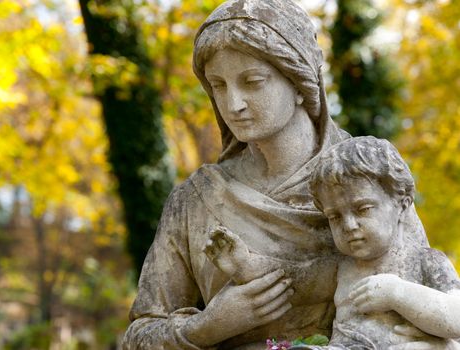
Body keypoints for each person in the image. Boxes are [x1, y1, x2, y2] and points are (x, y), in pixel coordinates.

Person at [122, 1, 429, 349]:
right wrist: (206, 327)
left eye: (252, 81)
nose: (234, 104)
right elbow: (140, 335)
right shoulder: (195, 199)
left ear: (300, 82)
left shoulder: (364, 176)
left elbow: (421, 306)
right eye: (218, 86)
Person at [206, 137, 460, 349]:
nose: (349, 225)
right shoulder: (342, 268)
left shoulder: (426, 261)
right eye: (335, 217)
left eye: (362, 209)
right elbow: (291, 280)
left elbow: (456, 316)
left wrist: (396, 293)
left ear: (402, 205)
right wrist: (244, 264)